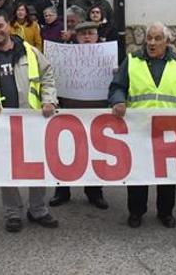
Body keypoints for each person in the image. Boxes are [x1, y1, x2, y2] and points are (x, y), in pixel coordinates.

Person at [0, 10, 60, 233]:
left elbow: (48, 76)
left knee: (37, 165)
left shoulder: (30, 52)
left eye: (0, 26)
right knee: (6, 167)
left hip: (32, 120)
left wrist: (49, 100)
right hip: (0, 124)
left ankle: (38, 209)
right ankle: (13, 212)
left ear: (9, 26)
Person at [108, 22, 176, 229]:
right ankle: (136, 212)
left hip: (169, 130)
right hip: (139, 129)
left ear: (167, 41)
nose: (152, 42)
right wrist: (118, 100)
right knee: (139, 173)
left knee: (167, 175)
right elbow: (117, 87)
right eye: (149, 38)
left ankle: (165, 212)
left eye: (158, 39)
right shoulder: (132, 61)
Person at [49, 22, 110, 210]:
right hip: (69, 111)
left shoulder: (107, 56)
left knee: (94, 152)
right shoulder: (66, 56)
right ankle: (62, 191)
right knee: (65, 151)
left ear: (97, 36)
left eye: (91, 33)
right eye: (82, 34)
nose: (87, 37)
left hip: (96, 113)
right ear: (76, 36)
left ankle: (94, 192)